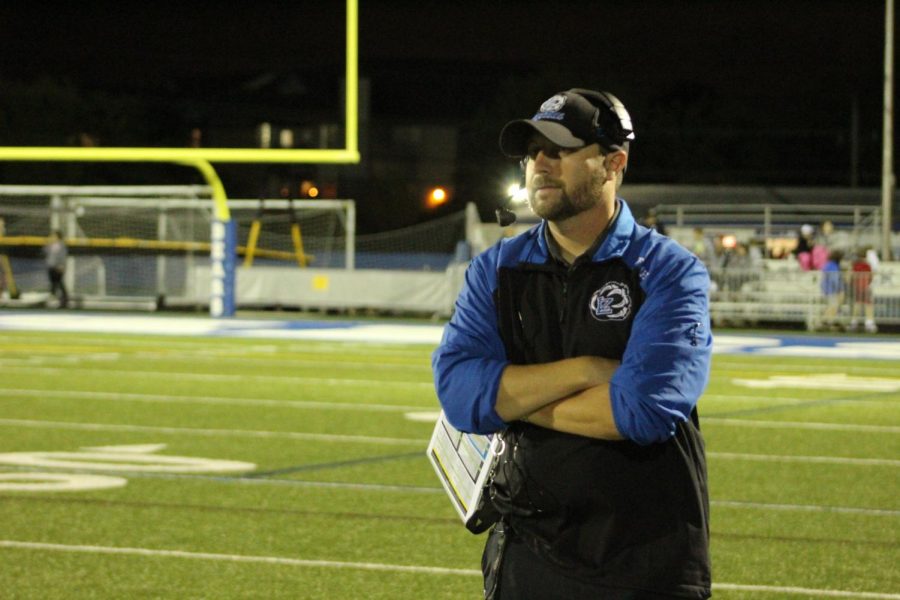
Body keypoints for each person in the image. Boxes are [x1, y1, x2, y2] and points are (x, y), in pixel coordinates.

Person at [432, 88, 713, 599]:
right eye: (531, 151)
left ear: (613, 163)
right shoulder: (496, 269)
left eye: (559, 149)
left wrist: (513, 401)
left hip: (644, 559)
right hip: (527, 556)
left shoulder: (671, 273)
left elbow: (640, 410)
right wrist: (587, 370)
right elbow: (458, 393)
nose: (539, 163)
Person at [849, 248, 877, 333]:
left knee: (857, 303)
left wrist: (853, 283)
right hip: (865, 286)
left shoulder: (855, 265)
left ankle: (854, 321)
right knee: (868, 304)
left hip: (857, 287)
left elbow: (851, 276)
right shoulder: (866, 265)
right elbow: (870, 276)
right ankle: (869, 322)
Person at [819, 249, 844, 330]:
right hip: (831, 289)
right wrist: (838, 290)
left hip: (826, 288)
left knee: (831, 305)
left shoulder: (827, 264)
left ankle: (826, 321)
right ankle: (825, 321)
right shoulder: (833, 266)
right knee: (833, 305)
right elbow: (834, 279)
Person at [44, 230, 69, 308]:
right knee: (53, 283)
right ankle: (53, 300)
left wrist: (62, 265)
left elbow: (63, 256)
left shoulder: (61, 245)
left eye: (54, 236)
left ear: (58, 237)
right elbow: (45, 251)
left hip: (58, 267)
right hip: (51, 266)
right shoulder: (50, 245)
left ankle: (64, 300)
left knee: (59, 283)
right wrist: (48, 243)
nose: (52, 237)